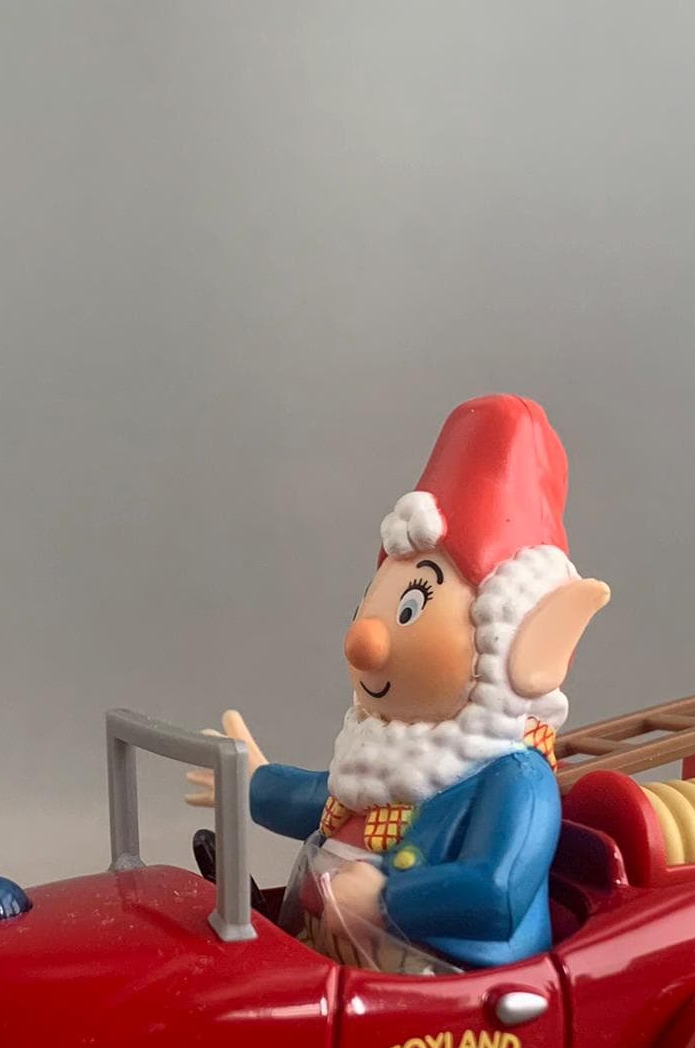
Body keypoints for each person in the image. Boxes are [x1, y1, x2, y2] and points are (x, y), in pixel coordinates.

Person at [188, 394, 607, 971]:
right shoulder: (387, 762)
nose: (364, 640)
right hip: (337, 961)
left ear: (527, 645)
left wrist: (387, 899)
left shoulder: (513, 778)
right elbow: (322, 800)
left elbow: (497, 892)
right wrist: (253, 781)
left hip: (442, 980)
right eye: (373, 602)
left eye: (411, 607)